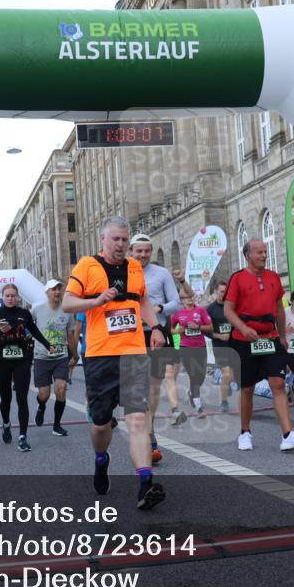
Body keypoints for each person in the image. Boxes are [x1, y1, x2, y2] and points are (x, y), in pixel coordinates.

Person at [63, 216, 166, 510]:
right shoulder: (87, 265)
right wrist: (95, 302)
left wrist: (156, 327)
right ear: (103, 241)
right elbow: (69, 302)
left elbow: (142, 300)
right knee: (100, 425)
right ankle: (101, 459)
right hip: (99, 356)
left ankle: (145, 485)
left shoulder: (134, 268)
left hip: (133, 352)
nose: (121, 245)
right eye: (116, 240)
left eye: (125, 239)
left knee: (137, 418)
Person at [224, 239, 294, 453]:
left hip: (270, 338)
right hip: (244, 341)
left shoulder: (273, 277)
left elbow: (279, 310)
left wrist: (281, 336)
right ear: (248, 256)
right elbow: (228, 310)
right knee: (247, 388)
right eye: (259, 252)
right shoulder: (237, 278)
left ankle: (288, 435)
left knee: (278, 384)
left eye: (265, 251)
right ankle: (245, 432)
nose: (264, 255)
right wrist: (243, 328)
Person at [128, 233, 181, 461]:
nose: (143, 255)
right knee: (135, 388)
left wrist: (158, 310)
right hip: (130, 336)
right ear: (131, 251)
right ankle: (148, 439)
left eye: (147, 251)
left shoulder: (162, 274)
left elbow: (176, 303)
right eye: (139, 251)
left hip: (156, 334)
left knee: (153, 389)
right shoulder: (125, 271)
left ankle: (150, 435)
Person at [0, 284, 51, 453]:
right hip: (1, 361)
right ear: (2, 296)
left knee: (22, 398)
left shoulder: (24, 314)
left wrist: (47, 344)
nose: (10, 298)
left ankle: (23, 437)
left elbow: (35, 332)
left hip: (22, 360)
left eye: (13, 295)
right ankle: (6, 423)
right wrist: (0, 330)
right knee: (5, 399)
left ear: (18, 297)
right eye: (7, 295)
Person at [32, 279, 78, 437]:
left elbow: (70, 335)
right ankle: (41, 406)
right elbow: (26, 327)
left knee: (61, 389)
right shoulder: (36, 309)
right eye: (53, 289)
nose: (57, 292)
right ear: (47, 292)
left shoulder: (67, 311)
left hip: (61, 357)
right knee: (44, 394)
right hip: (41, 357)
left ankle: (57, 425)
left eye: (59, 289)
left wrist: (75, 354)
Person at [170, 293, 212, 415]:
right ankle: (197, 402)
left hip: (200, 347)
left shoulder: (201, 310)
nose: (189, 300)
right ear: (182, 301)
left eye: (191, 297)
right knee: (193, 373)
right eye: (186, 298)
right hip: (186, 348)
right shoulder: (178, 313)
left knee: (202, 374)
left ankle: (191, 392)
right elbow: (171, 329)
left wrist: (197, 326)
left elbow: (210, 327)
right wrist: (178, 331)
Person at [206, 280, 235, 413]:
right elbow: (206, 330)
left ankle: (227, 383)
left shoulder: (233, 306)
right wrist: (218, 335)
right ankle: (223, 402)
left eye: (226, 291)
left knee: (232, 375)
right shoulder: (210, 309)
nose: (224, 294)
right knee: (226, 373)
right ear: (216, 291)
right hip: (219, 346)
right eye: (222, 291)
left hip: (234, 344)